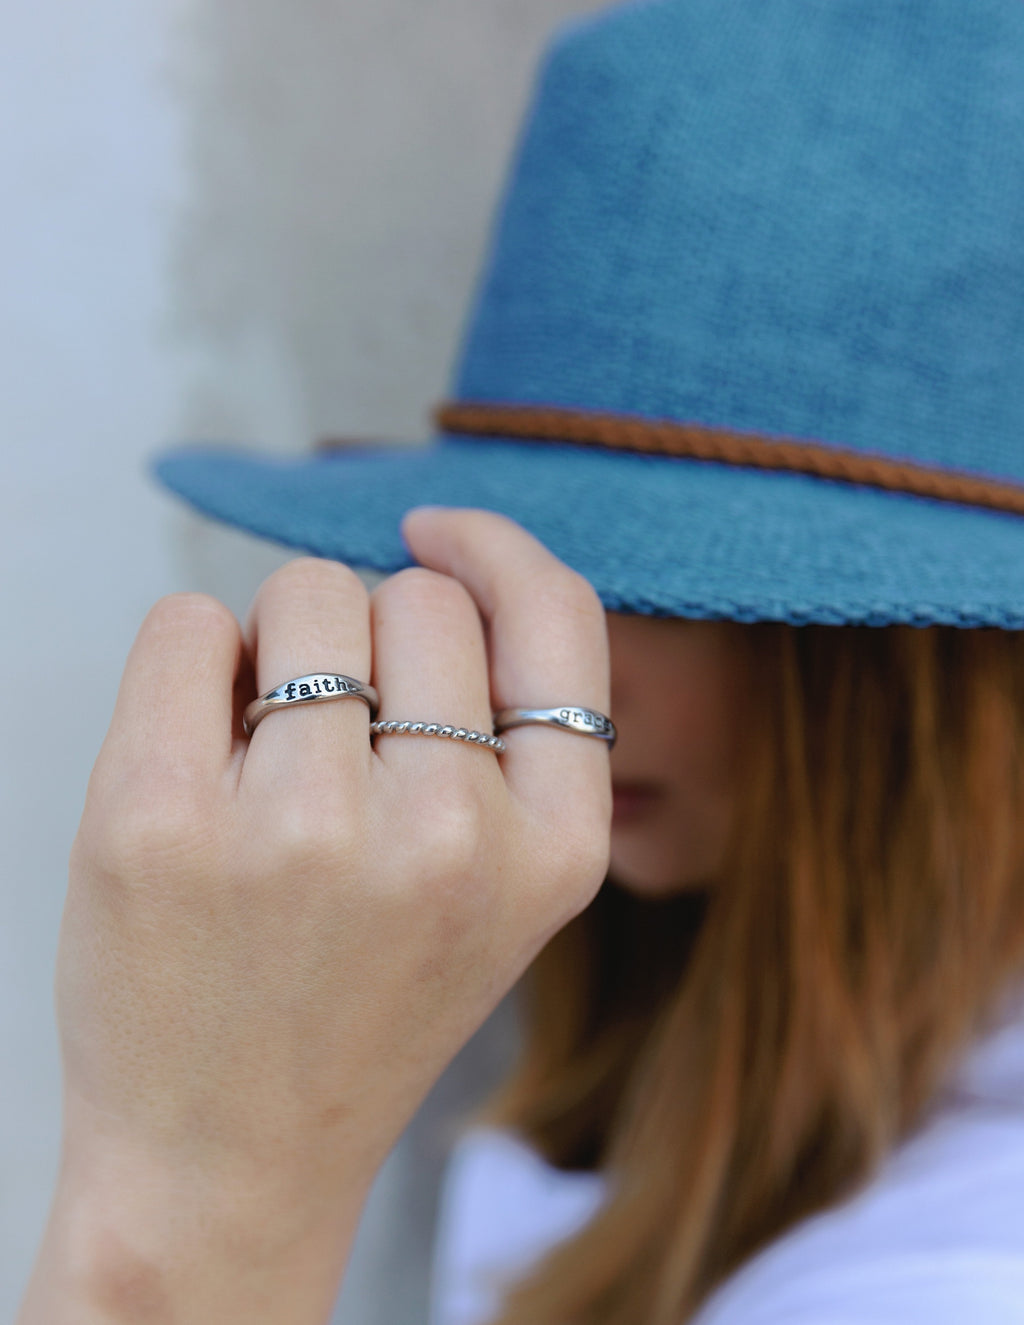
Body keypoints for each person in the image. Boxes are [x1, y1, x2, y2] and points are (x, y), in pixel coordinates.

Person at [18, 0, 1024, 1321]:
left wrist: (197, 1210)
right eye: (524, 550)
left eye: (666, 581)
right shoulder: (678, 1053)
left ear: (934, 663)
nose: (540, 657)